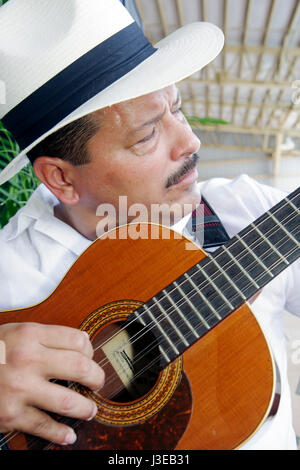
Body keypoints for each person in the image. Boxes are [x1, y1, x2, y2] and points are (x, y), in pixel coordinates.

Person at [0, 0, 299, 451]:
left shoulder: (246, 210)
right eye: (146, 136)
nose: (191, 141)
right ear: (61, 177)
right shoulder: (7, 274)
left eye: (176, 109)